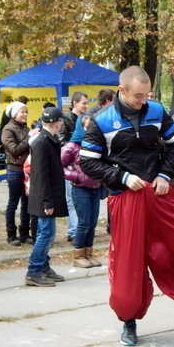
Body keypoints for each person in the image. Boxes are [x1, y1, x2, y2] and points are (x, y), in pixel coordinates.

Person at [80, 66, 174, 346]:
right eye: (138, 96)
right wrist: (122, 177)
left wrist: (164, 174)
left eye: (146, 95)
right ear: (122, 90)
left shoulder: (155, 110)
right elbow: (88, 162)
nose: (143, 101)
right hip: (126, 197)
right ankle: (128, 321)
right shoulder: (102, 121)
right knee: (128, 263)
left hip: (160, 192)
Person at [24, 107, 68, 287]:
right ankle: (34, 270)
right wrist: (47, 202)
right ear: (58, 123)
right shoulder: (42, 142)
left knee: (46, 233)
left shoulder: (50, 139)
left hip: (48, 195)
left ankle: (43, 266)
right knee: (46, 234)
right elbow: (40, 175)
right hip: (44, 196)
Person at [61, 115, 102, 268]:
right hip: (80, 188)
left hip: (95, 187)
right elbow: (58, 166)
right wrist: (76, 176)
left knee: (92, 223)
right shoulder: (72, 146)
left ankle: (88, 253)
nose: (89, 129)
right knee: (83, 222)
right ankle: (78, 255)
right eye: (86, 126)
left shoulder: (97, 144)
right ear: (81, 127)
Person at [1, 101, 40, 246]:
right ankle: (11, 234)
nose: (25, 114)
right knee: (13, 203)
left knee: (26, 203)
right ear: (14, 114)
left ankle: (24, 233)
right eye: (22, 112)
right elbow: (15, 150)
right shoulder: (8, 129)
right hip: (15, 171)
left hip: (27, 171)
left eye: (26, 111)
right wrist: (30, 137)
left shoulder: (25, 128)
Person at [60, 92, 89, 242]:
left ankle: (81, 228)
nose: (86, 106)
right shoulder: (65, 119)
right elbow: (61, 140)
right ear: (75, 103)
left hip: (84, 165)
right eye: (84, 103)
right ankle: (74, 231)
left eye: (87, 103)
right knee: (71, 199)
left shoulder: (85, 118)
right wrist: (75, 150)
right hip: (71, 164)